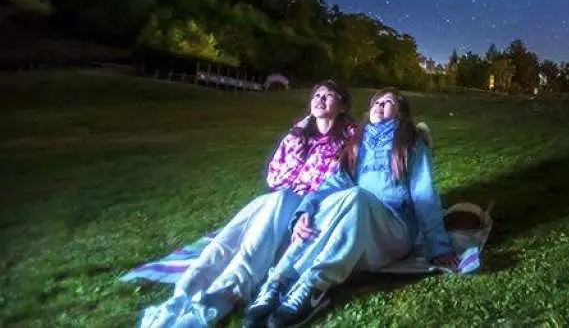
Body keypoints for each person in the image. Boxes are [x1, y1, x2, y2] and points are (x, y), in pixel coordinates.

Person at [139, 81, 357, 328]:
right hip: (279, 199)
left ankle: (215, 302)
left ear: (342, 105)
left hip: (311, 206)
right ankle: (180, 299)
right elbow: (274, 177)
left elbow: (339, 182)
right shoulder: (298, 134)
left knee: (252, 247)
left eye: (329, 95)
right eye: (317, 95)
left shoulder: (350, 137)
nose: (320, 99)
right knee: (229, 239)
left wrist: (305, 204)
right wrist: (298, 142)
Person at [243, 88, 458, 328]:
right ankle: (279, 280)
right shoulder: (359, 143)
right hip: (360, 227)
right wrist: (305, 210)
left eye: (388, 102)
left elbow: (424, 194)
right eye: (376, 101)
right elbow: (333, 183)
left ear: (401, 113)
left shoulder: (411, 143)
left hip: (394, 232)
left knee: (357, 197)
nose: (379, 104)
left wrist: (439, 245)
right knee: (328, 202)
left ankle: (314, 285)